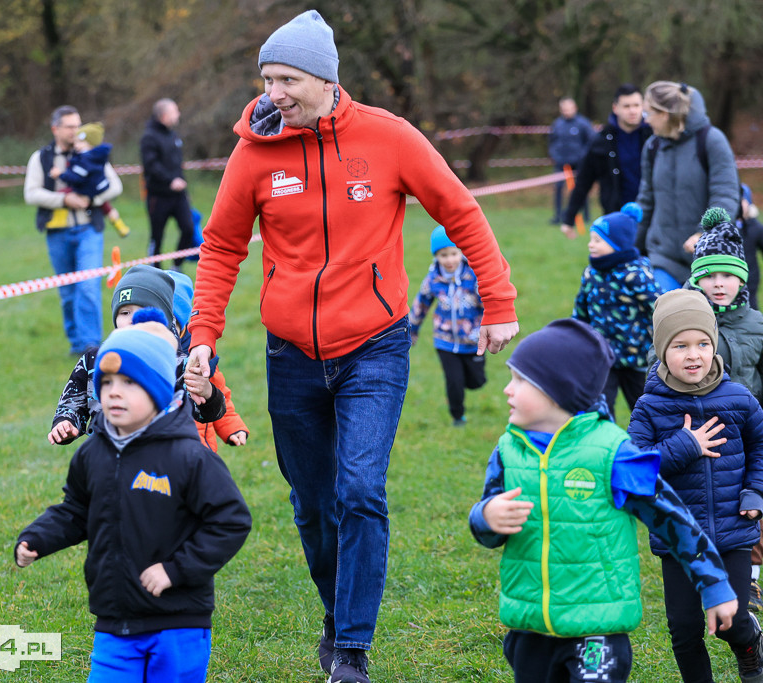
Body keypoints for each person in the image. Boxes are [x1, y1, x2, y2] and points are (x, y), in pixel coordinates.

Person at [185, 11, 519, 683]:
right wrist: (202, 336)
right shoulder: (254, 152)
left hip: (375, 346)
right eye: (268, 79)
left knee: (360, 489)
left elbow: (459, 210)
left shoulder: (389, 137)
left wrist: (498, 299)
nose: (274, 93)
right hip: (291, 355)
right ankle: (337, 618)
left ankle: (352, 650)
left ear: (324, 78)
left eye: (288, 79)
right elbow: (220, 247)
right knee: (313, 505)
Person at [468, 319, 738, 683]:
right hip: (531, 627)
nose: (507, 389)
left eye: (520, 380)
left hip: (596, 630)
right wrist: (487, 516)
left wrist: (714, 584)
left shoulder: (613, 453)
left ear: (558, 391)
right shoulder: (508, 451)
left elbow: (673, 519)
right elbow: (486, 529)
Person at [16, 323, 251, 682]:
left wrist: (175, 570)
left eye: (129, 382)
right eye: (107, 382)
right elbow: (77, 510)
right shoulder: (93, 454)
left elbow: (231, 520)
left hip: (178, 623)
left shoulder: (189, 457)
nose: (114, 392)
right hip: (114, 621)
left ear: (158, 389)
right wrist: (38, 538)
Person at [628, 289, 763, 683]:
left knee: (731, 620)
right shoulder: (649, 407)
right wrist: (685, 445)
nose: (693, 354)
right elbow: (635, 468)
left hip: (733, 529)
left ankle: (750, 647)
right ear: (662, 350)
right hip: (679, 536)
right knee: (684, 630)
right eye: (680, 345)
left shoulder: (739, 398)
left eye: (703, 344)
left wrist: (756, 492)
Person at [689, 207, 763, 614]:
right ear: (697, 279)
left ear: (742, 279)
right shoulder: (683, 319)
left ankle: (749, 582)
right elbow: (657, 364)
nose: (719, 284)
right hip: (700, 433)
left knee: (750, 504)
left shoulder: (755, 322)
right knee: (703, 504)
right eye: (710, 276)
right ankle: (705, 574)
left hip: (747, 433)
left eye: (728, 275)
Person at [48, 266, 231, 447]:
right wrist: (66, 422)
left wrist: (207, 393)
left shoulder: (175, 363)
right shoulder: (95, 359)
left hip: (160, 457)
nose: (131, 319)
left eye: (142, 312)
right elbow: (73, 401)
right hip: (105, 453)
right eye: (124, 312)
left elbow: (206, 412)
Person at [25, 105, 123, 356]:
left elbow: (115, 186)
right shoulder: (41, 158)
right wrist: (63, 200)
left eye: (78, 126)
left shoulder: (92, 152)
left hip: (89, 228)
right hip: (57, 232)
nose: (75, 131)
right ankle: (76, 344)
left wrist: (91, 199)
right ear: (55, 129)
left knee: (88, 286)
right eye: (69, 126)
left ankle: (91, 347)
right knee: (68, 292)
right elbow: (31, 193)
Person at [635, 81, 739, 293]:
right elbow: (646, 202)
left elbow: (725, 196)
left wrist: (705, 234)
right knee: (661, 311)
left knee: (706, 316)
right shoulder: (652, 147)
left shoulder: (712, 140)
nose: (645, 120)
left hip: (709, 261)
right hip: (662, 258)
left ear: (664, 114)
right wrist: (626, 246)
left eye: (648, 114)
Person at [571, 203, 660, 419]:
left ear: (618, 244)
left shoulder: (636, 275)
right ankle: (606, 436)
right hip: (602, 355)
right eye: (591, 239)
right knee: (600, 406)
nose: (590, 244)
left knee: (643, 406)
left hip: (636, 356)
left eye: (598, 240)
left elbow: (658, 307)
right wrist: (575, 335)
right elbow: (581, 309)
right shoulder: (591, 273)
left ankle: (648, 436)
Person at [409, 225, 487, 427]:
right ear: (436, 256)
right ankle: (458, 417)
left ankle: (471, 378)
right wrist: (412, 330)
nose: (449, 260)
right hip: (444, 340)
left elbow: (487, 303)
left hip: (472, 339)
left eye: (453, 253)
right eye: (443, 255)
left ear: (461, 252)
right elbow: (420, 305)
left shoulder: (473, 276)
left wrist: (489, 326)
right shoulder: (433, 279)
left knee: (477, 381)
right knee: (454, 382)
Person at [560, 84, 652, 239]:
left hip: (651, 216)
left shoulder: (654, 136)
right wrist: (569, 218)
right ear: (615, 108)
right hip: (616, 215)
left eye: (636, 105)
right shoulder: (601, 140)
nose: (633, 111)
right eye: (627, 106)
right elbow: (584, 181)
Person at [685, 186, 763, 311]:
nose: (740, 205)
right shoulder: (720, 230)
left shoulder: (756, 228)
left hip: (749, 281)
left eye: (743, 201)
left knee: (748, 309)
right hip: (719, 278)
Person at [50, 122, 131, 238]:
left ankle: (57, 221)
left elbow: (75, 177)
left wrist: (60, 175)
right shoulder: (98, 156)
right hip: (98, 189)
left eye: (80, 142)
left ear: (90, 144)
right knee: (107, 208)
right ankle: (119, 224)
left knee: (62, 194)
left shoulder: (84, 159)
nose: (76, 145)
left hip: (85, 189)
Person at [141, 98, 194, 271]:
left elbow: (177, 166)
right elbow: (151, 165)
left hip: (178, 196)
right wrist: (170, 180)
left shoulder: (173, 135)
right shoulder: (149, 137)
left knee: (188, 229)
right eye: (175, 111)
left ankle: (176, 267)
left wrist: (184, 191)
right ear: (164, 115)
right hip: (158, 196)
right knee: (157, 237)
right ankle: (154, 271)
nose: (178, 114)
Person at [547, 96, 594, 225]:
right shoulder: (557, 124)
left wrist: (583, 157)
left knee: (582, 187)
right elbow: (551, 141)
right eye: (564, 109)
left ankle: (586, 215)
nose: (566, 112)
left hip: (579, 163)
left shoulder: (583, 123)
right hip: (561, 162)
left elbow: (591, 142)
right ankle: (558, 216)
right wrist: (554, 155)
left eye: (568, 109)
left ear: (575, 108)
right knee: (558, 188)